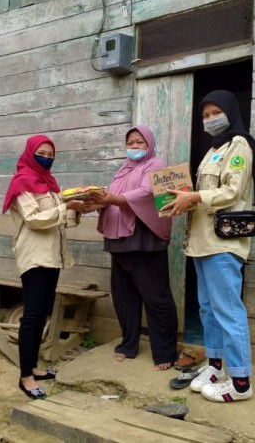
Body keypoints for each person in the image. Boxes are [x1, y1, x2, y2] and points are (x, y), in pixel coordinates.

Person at [161, 90, 255, 402]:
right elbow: (201, 193)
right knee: (208, 307)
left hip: (223, 243)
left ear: (230, 112)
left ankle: (241, 382)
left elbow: (232, 191)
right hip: (201, 243)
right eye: (204, 115)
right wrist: (180, 201)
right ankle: (216, 366)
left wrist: (193, 197)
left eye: (215, 112)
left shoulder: (239, 145)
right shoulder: (211, 152)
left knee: (228, 310)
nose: (209, 119)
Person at [91, 125, 178, 371]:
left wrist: (112, 199)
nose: (135, 147)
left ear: (148, 144)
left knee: (156, 297)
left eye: (140, 142)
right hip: (118, 239)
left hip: (144, 239)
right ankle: (128, 344)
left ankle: (164, 352)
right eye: (131, 143)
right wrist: (95, 201)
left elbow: (147, 193)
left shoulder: (156, 165)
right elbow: (111, 198)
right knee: (124, 295)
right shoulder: (123, 169)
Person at [2, 135, 84, 399]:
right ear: (30, 153)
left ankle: (35, 367)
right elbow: (35, 219)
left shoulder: (49, 185)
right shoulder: (22, 183)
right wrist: (65, 208)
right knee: (33, 315)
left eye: (51, 153)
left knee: (43, 311)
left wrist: (77, 209)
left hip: (52, 256)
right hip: (34, 257)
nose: (47, 157)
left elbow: (59, 219)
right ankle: (25, 376)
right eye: (42, 152)